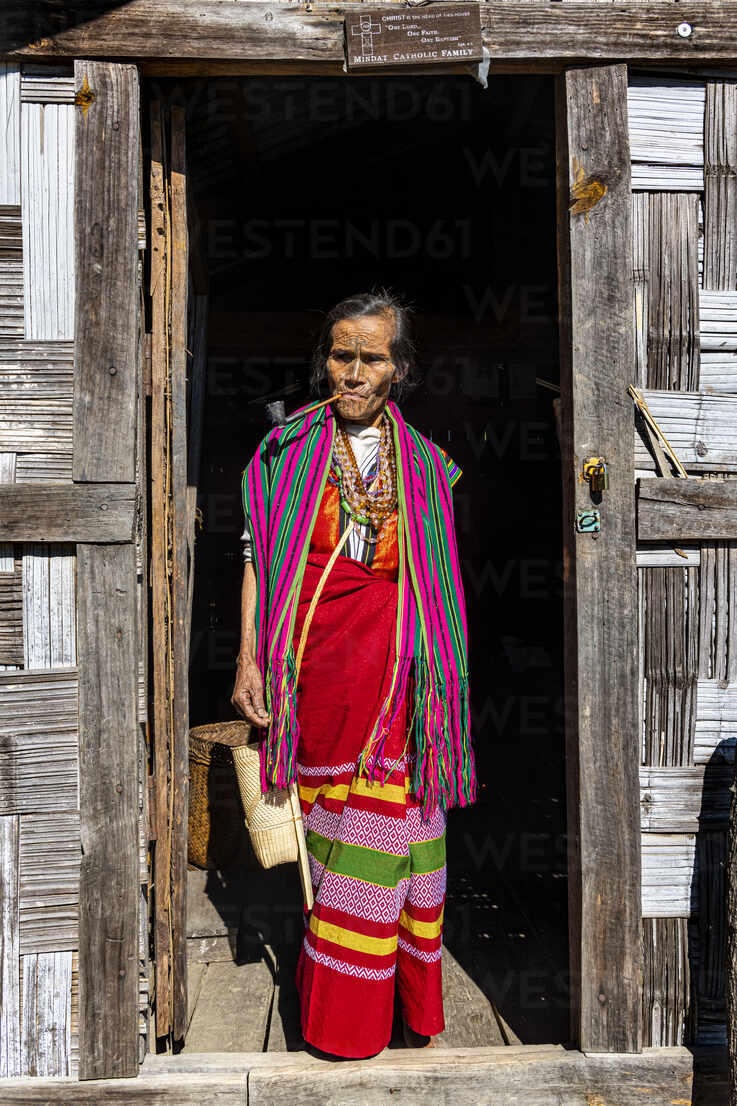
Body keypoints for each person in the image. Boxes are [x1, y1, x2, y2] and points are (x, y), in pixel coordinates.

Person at [232, 290, 476, 1059]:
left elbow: (433, 583)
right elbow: (255, 560)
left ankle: (402, 1009)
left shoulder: (429, 466)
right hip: (319, 672)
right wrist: (247, 659)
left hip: (403, 682)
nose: (355, 372)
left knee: (399, 841)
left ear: (398, 369)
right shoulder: (284, 452)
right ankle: (344, 1022)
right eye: (342, 355)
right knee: (336, 845)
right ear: (324, 361)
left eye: (372, 358)